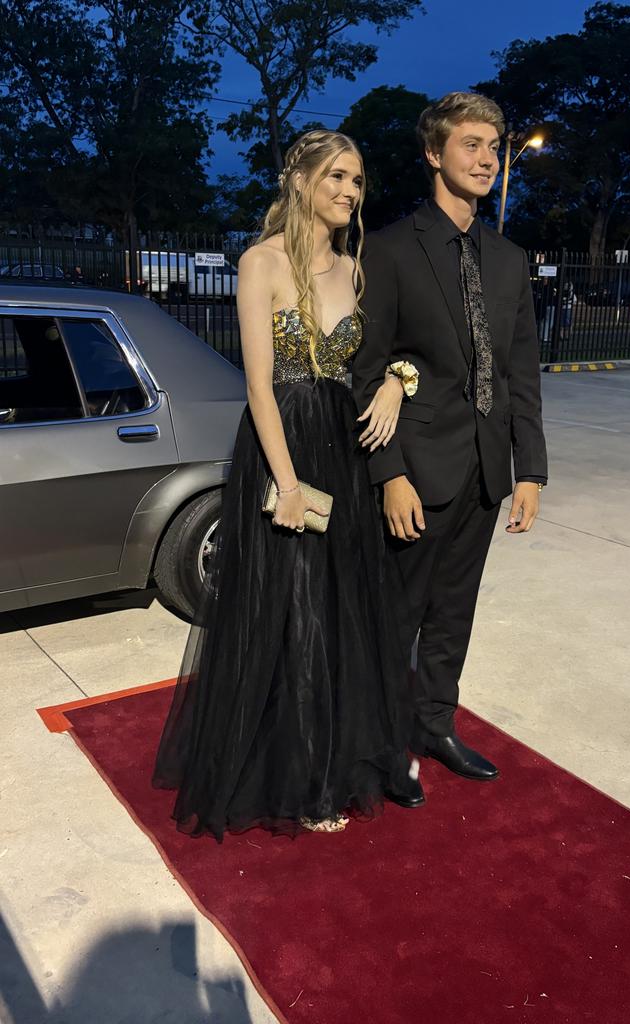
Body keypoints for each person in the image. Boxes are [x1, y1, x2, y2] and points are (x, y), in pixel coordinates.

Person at [153, 129, 421, 837]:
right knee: (289, 607)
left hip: (346, 452)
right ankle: (297, 775)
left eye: (358, 180)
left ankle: (333, 762)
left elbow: (391, 355)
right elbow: (261, 386)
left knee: (336, 610)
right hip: (283, 453)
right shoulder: (260, 262)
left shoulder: (356, 271)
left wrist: (397, 380)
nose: (347, 190)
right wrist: (289, 484)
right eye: (335, 175)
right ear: (298, 181)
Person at [352, 93, 548, 793]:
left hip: (487, 475)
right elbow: (364, 370)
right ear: (433, 153)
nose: (488, 157)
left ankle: (434, 725)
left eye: (494, 145)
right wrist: (389, 474)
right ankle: (376, 744)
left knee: (452, 616)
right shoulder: (392, 249)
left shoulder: (509, 258)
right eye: (471, 144)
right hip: (418, 471)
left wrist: (531, 471)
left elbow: (521, 371)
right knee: (394, 618)